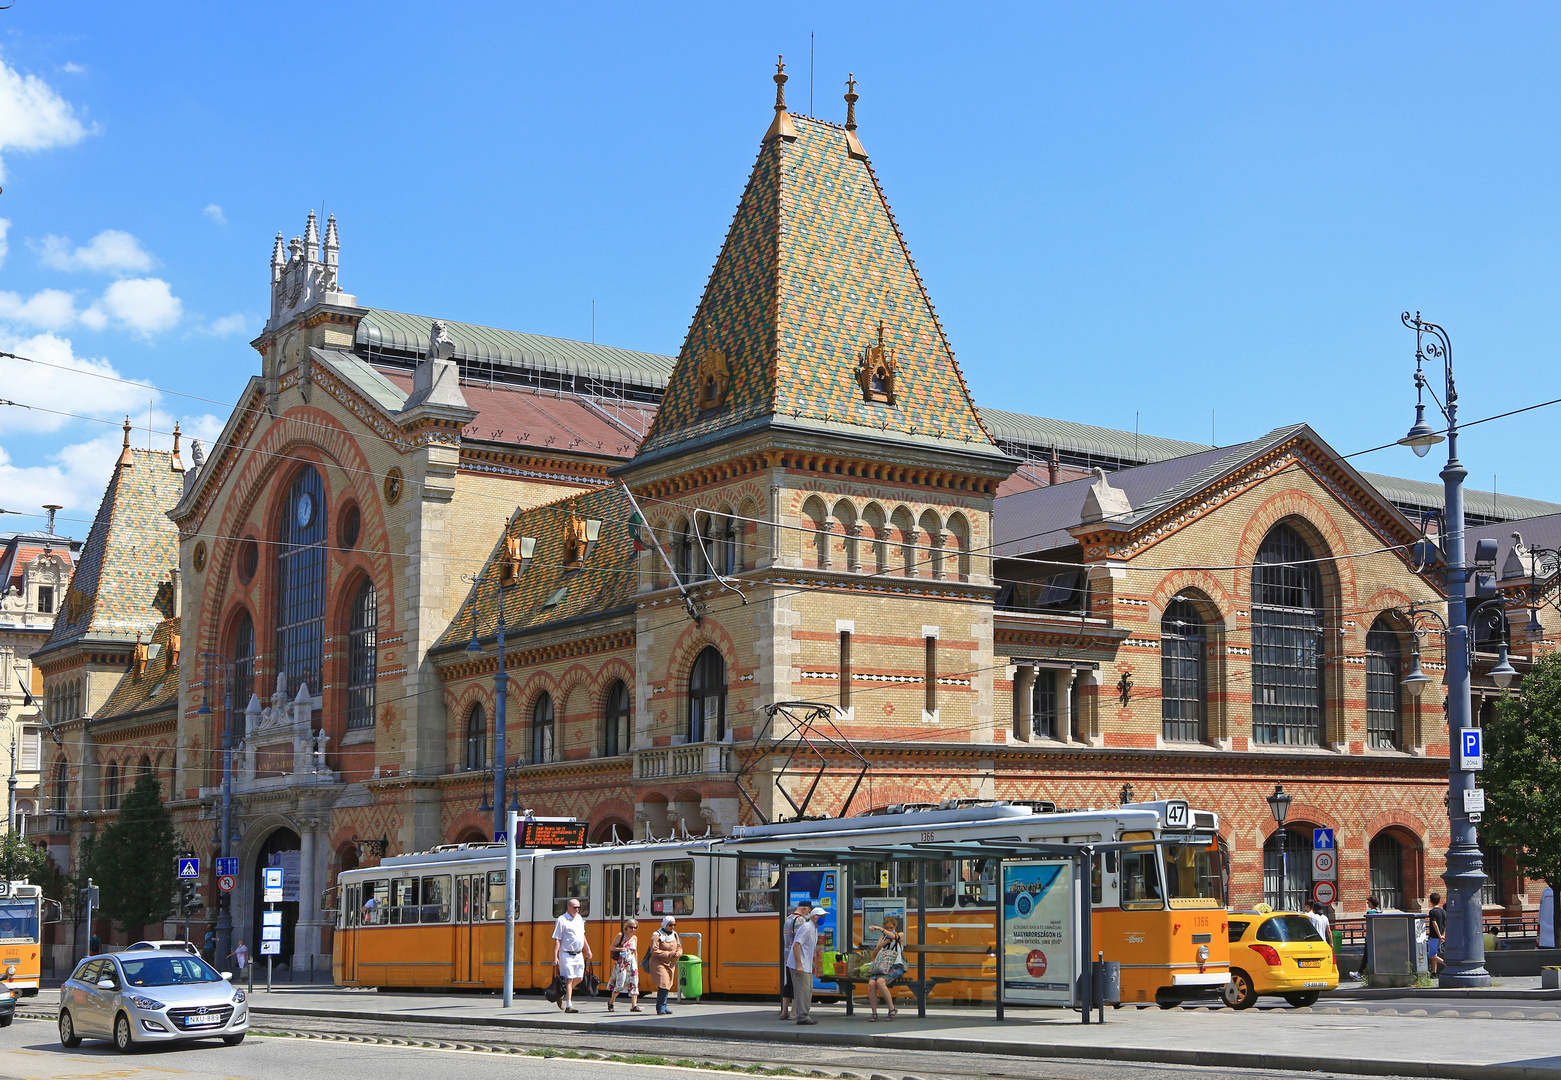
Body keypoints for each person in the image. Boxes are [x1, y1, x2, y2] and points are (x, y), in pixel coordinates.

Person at [551, 897, 593, 1013]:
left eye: (579, 907)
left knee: (579, 977)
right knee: (569, 979)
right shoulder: (561, 920)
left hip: (579, 954)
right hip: (567, 954)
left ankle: (562, 993)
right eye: (575, 907)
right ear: (568, 907)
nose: (577, 910)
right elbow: (557, 939)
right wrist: (555, 956)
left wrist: (588, 949)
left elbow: (582, 936)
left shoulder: (579, 918)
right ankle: (569, 1006)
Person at [864, 914, 905, 1021]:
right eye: (887, 928)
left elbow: (895, 937)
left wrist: (879, 929)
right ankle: (874, 1012)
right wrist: (880, 945)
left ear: (895, 927)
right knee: (872, 983)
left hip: (895, 966)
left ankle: (892, 1008)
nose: (889, 930)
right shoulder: (882, 939)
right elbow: (874, 955)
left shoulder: (900, 935)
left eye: (891, 927)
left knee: (880, 982)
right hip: (883, 967)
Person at [790, 906, 825, 1025]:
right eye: (821, 916)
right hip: (800, 964)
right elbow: (796, 945)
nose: (823, 918)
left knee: (808, 990)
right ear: (814, 917)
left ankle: (804, 1014)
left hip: (806, 964)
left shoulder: (813, 928)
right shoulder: (807, 927)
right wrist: (799, 965)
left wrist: (813, 963)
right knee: (802, 991)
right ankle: (802, 1016)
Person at [779, 902, 810, 1021]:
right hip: (796, 956)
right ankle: (794, 1012)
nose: (808, 914)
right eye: (808, 911)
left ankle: (784, 1011)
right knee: (797, 984)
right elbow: (799, 940)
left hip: (787, 955)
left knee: (789, 983)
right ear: (804, 909)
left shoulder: (788, 918)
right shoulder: (801, 921)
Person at [647, 916, 683, 1014]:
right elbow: (654, 951)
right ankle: (660, 1007)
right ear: (665, 924)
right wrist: (669, 953)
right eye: (670, 925)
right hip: (658, 962)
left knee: (667, 984)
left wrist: (678, 953)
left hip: (670, 963)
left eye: (674, 925)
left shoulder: (675, 935)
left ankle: (664, 1005)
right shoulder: (657, 935)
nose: (673, 927)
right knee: (663, 982)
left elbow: (679, 947)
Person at [607, 918, 641, 1013]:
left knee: (634, 983)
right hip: (622, 963)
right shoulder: (621, 935)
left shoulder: (635, 938)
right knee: (620, 983)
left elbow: (635, 951)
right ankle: (611, 1002)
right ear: (627, 927)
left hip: (632, 963)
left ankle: (634, 1005)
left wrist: (636, 964)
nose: (633, 929)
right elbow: (612, 947)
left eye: (635, 928)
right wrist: (620, 949)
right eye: (631, 927)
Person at [1427, 892, 1446, 975]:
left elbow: (1434, 924)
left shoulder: (1432, 912)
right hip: (1441, 935)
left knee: (1431, 955)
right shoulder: (1443, 911)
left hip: (1434, 936)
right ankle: (1434, 972)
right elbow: (1445, 924)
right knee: (1434, 954)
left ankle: (1447, 964)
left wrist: (1439, 935)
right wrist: (1443, 935)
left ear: (1430, 901)